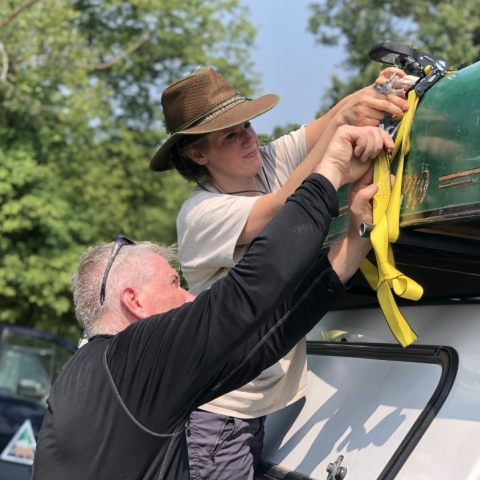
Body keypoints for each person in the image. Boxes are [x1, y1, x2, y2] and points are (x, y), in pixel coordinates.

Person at [33, 124, 394, 480]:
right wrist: (329, 170)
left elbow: (265, 340)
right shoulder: (133, 360)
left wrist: (357, 238)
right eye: (174, 283)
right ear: (134, 301)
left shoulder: (88, 373)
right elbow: (253, 286)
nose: (190, 297)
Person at [149, 66, 408, 478]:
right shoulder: (201, 214)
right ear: (198, 155)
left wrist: (380, 90)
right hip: (219, 412)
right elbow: (292, 206)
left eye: (247, 124)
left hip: (247, 406)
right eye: (230, 136)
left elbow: (335, 120)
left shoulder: (264, 162)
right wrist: (341, 162)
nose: (249, 138)